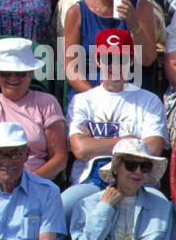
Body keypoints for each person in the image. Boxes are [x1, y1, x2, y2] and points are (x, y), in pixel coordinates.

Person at [66, 28, 168, 200]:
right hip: (91, 180)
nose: (115, 66)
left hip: (138, 180)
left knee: (163, 209)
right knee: (63, 207)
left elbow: (154, 149)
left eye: (122, 59)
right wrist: (130, 141)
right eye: (108, 59)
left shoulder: (149, 101)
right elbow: (81, 150)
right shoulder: (82, 100)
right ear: (98, 61)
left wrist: (96, 144)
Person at [0, 38, 66, 181]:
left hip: (34, 185)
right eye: (5, 73)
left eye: (20, 73)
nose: (13, 78)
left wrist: (27, 183)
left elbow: (60, 157)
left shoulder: (47, 103)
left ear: (31, 73)